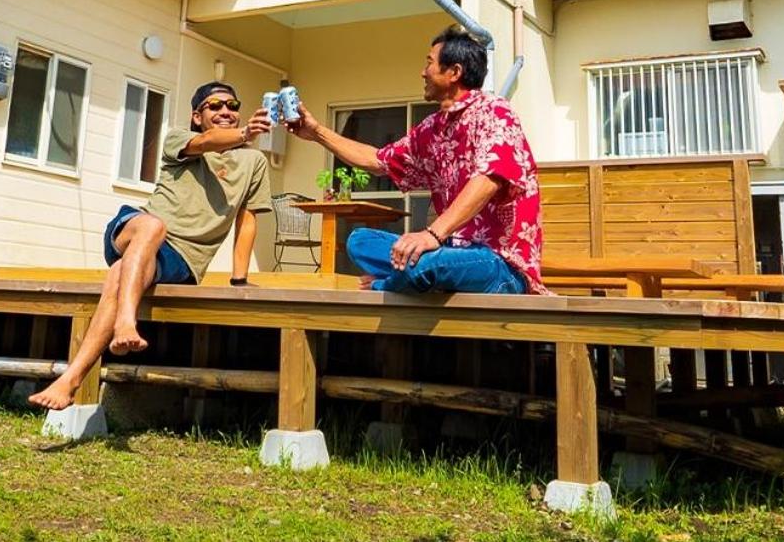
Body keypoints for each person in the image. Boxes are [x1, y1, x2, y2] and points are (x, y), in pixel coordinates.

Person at [29, 81, 272, 410]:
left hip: (181, 259)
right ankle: (126, 321)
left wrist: (239, 279)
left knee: (119, 273)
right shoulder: (179, 139)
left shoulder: (254, 162)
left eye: (232, 105)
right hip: (135, 228)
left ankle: (70, 379)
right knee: (153, 225)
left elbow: (247, 219)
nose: (225, 111)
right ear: (197, 116)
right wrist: (244, 133)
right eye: (215, 106)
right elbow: (205, 142)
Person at [286, 26, 544, 294]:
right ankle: (410, 278)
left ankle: (387, 284)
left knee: (425, 265)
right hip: (449, 252)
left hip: (497, 264)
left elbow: (488, 179)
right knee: (359, 241)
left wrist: (432, 234)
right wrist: (316, 133)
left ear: (454, 72)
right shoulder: (431, 129)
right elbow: (378, 160)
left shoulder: (495, 112)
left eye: (429, 63)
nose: (423, 72)